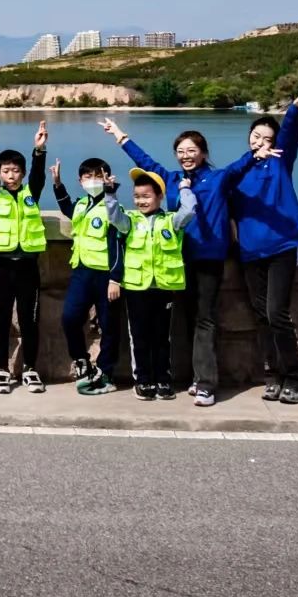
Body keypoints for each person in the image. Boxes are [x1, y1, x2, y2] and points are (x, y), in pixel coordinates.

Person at [102, 115, 232, 407]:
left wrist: (258, 151)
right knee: (174, 326)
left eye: (191, 150)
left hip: (207, 257)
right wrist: (120, 136)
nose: (186, 155)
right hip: (176, 265)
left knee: (202, 320)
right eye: (181, 151)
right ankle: (162, 378)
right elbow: (145, 163)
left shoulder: (217, 178)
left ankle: (203, 382)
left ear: (203, 152)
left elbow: (238, 171)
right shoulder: (169, 179)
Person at [219, 80, 298, 405]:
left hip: (281, 247)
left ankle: (295, 376)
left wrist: (296, 108)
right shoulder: (239, 170)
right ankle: (273, 374)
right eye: (255, 135)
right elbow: (223, 186)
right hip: (250, 251)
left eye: (266, 137)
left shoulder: (280, 160)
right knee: (261, 316)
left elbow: (290, 133)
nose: (260, 140)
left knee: (276, 313)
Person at [0, 122, 49, 393]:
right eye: (6, 171)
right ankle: (1, 369)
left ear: (22, 172)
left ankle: (30, 368)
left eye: (16, 170)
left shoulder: (31, 194)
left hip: (28, 267)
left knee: (29, 319)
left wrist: (39, 151)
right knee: (0, 319)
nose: (11, 175)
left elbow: (39, 176)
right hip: (2, 266)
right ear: (0, 173)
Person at [119, 168, 197, 400]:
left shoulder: (170, 221)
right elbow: (115, 218)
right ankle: (143, 380)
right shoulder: (130, 220)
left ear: (160, 196)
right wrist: (111, 194)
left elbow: (189, 211)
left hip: (163, 287)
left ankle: (163, 379)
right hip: (136, 287)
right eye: (137, 196)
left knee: (162, 337)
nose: (141, 201)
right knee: (139, 336)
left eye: (146, 196)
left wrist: (185, 190)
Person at [53, 156, 123, 396]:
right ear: (80, 181)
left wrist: (115, 278)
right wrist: (57, 184)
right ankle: (81, 361)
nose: (92, 180)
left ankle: (106, 371)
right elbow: (67, 208)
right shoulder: (82, 204)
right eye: (87, 176)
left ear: (107, 179)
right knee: (70, 318)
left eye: (97, 176)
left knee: (109, 326)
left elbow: (117, 246)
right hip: (82, 271)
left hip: (105, 276)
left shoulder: (113, 209)